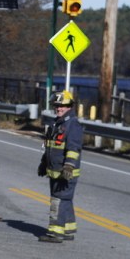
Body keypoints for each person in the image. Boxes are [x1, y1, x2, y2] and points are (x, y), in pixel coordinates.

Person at [37, 90, 83, 243]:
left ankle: (55, 233)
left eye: (62, 106)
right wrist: (44, 164)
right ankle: (68, 230)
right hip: (55, 171)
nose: (58, 108)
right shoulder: (57, 123)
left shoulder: (72, 124)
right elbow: (50, 147)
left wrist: (68, 166)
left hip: (65, 172)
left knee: (59, 201)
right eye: (56, 106)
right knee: (66, 200)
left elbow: (73, 148)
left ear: (69, 106)